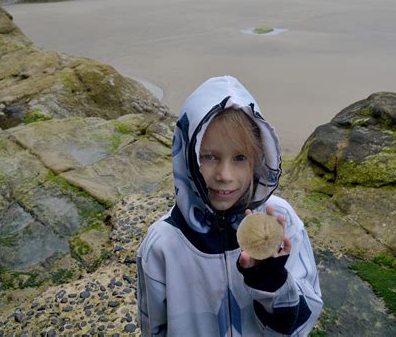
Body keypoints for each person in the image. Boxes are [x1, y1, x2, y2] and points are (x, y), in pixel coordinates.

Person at [136, 76, 322, 336]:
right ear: (187, 156)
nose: (225, 175)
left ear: (259, 158)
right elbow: (153, 327)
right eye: (209, 156)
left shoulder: (283, 221)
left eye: (240, 157)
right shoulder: (162, 244)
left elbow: (303, 321)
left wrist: (273, 284)